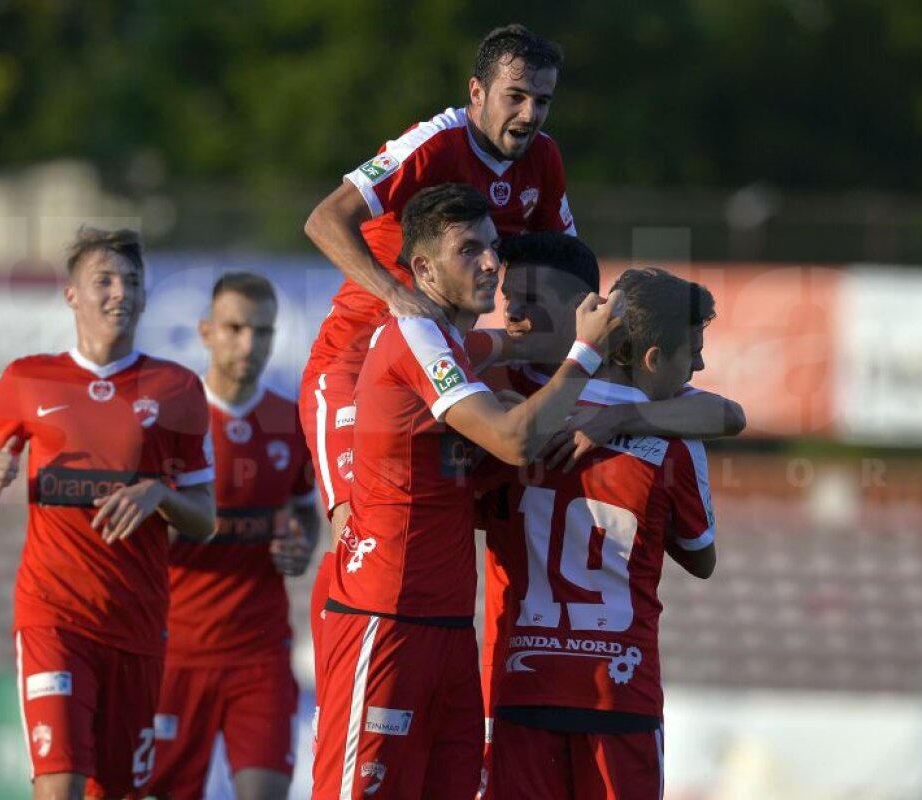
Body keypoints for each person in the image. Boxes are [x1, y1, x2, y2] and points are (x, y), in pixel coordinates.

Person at [311, 183, 626, 800]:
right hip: (385, 618)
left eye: (491, 247)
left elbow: (522, 345)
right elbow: (513, 441)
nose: (489, 264)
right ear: (423, 270)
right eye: (468, 250)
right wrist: (587, 353)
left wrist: (629, 402)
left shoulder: (456, 344)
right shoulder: (413, 334)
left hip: (449, 627)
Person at [300, 25, 575, 677]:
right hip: (359, 366)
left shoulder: (543, 161)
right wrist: (397, 297)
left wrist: (584, 359)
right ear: (477, 91)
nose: (529, 113)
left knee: (472, 509)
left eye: (541, 100)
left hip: (450, 362)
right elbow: (323, 219)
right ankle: (343, 700)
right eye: (515, 96)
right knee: (360, 531)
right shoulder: (434, 144)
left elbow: (566, 267)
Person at [0, 227, 217, 800]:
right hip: (52, 617)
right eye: (104, 280)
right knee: (60, 783)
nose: (119, 292)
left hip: (136, 623)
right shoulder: (27, 378)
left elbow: (204, 517)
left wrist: (160, 495)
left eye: (131, 282)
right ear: (72, 294)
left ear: (145, 296)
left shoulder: (176, 388)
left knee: (118, 791)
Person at [482, 267, 720, 800]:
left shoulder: (525, 423)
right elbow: (701, 557)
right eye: (693, 353)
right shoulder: (678, 442)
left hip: (525, 684)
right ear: (653, 360)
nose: (700, 367)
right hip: (621, 692)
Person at [149, 272, 319, 800]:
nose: (249, 344)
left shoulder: (288, 421)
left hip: (259, 653)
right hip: (178, 650)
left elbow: (305, 510)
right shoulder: (171, 423)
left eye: (262, 332)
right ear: (206, 332)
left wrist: (301, 546)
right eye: (236, 328)